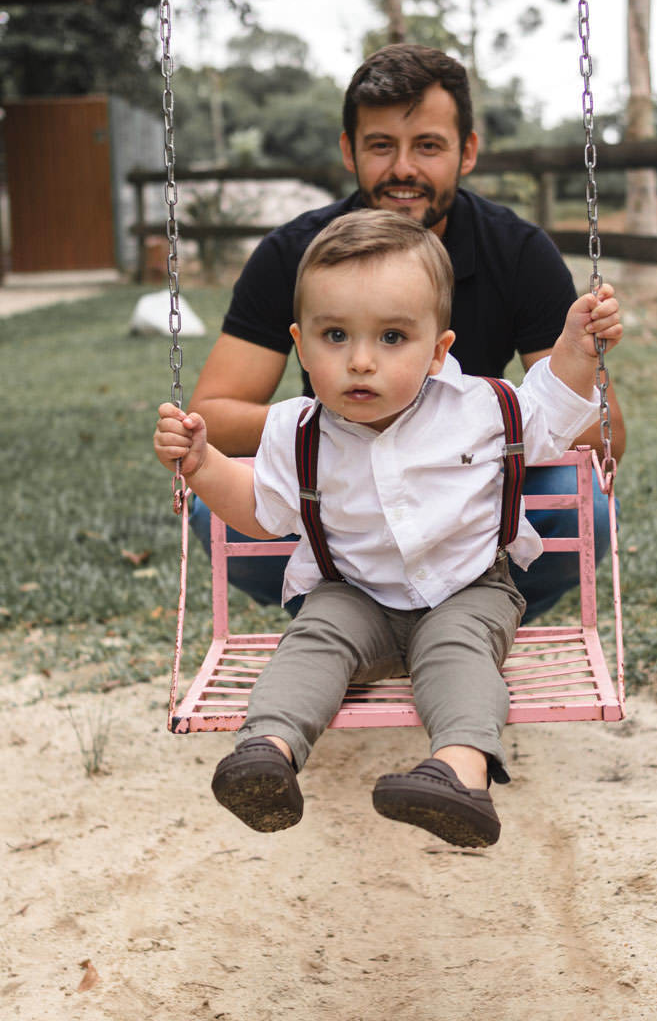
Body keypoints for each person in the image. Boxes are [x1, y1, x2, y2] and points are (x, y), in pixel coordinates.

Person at [155, 211, 623, 848]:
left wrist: (576, 346)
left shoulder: (484, 409)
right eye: (336, 335)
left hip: (469, 590)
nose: (361, 362)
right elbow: (258, 512)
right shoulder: (296, 431)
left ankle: (461, 778)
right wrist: (203, 464)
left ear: (438, 350)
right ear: (301, 343)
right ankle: (268, 755)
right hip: (354, 594)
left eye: (393, 338)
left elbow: (556, 406)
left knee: (459, 653)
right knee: (313, 638)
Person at [188, 44, 625, 619]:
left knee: (585, 507)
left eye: (427, 146)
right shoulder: (293, 253)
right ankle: (347, 620)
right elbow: (212, 415)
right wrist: (340, 429)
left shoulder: (515, 251)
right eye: (380, 145)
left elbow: (604, 433)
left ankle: (482, 618)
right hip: (336, 500)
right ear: (349, 150)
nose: (403, 169)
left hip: (474, 502)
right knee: (212, 508)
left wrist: (454, 435)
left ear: (466, 151)